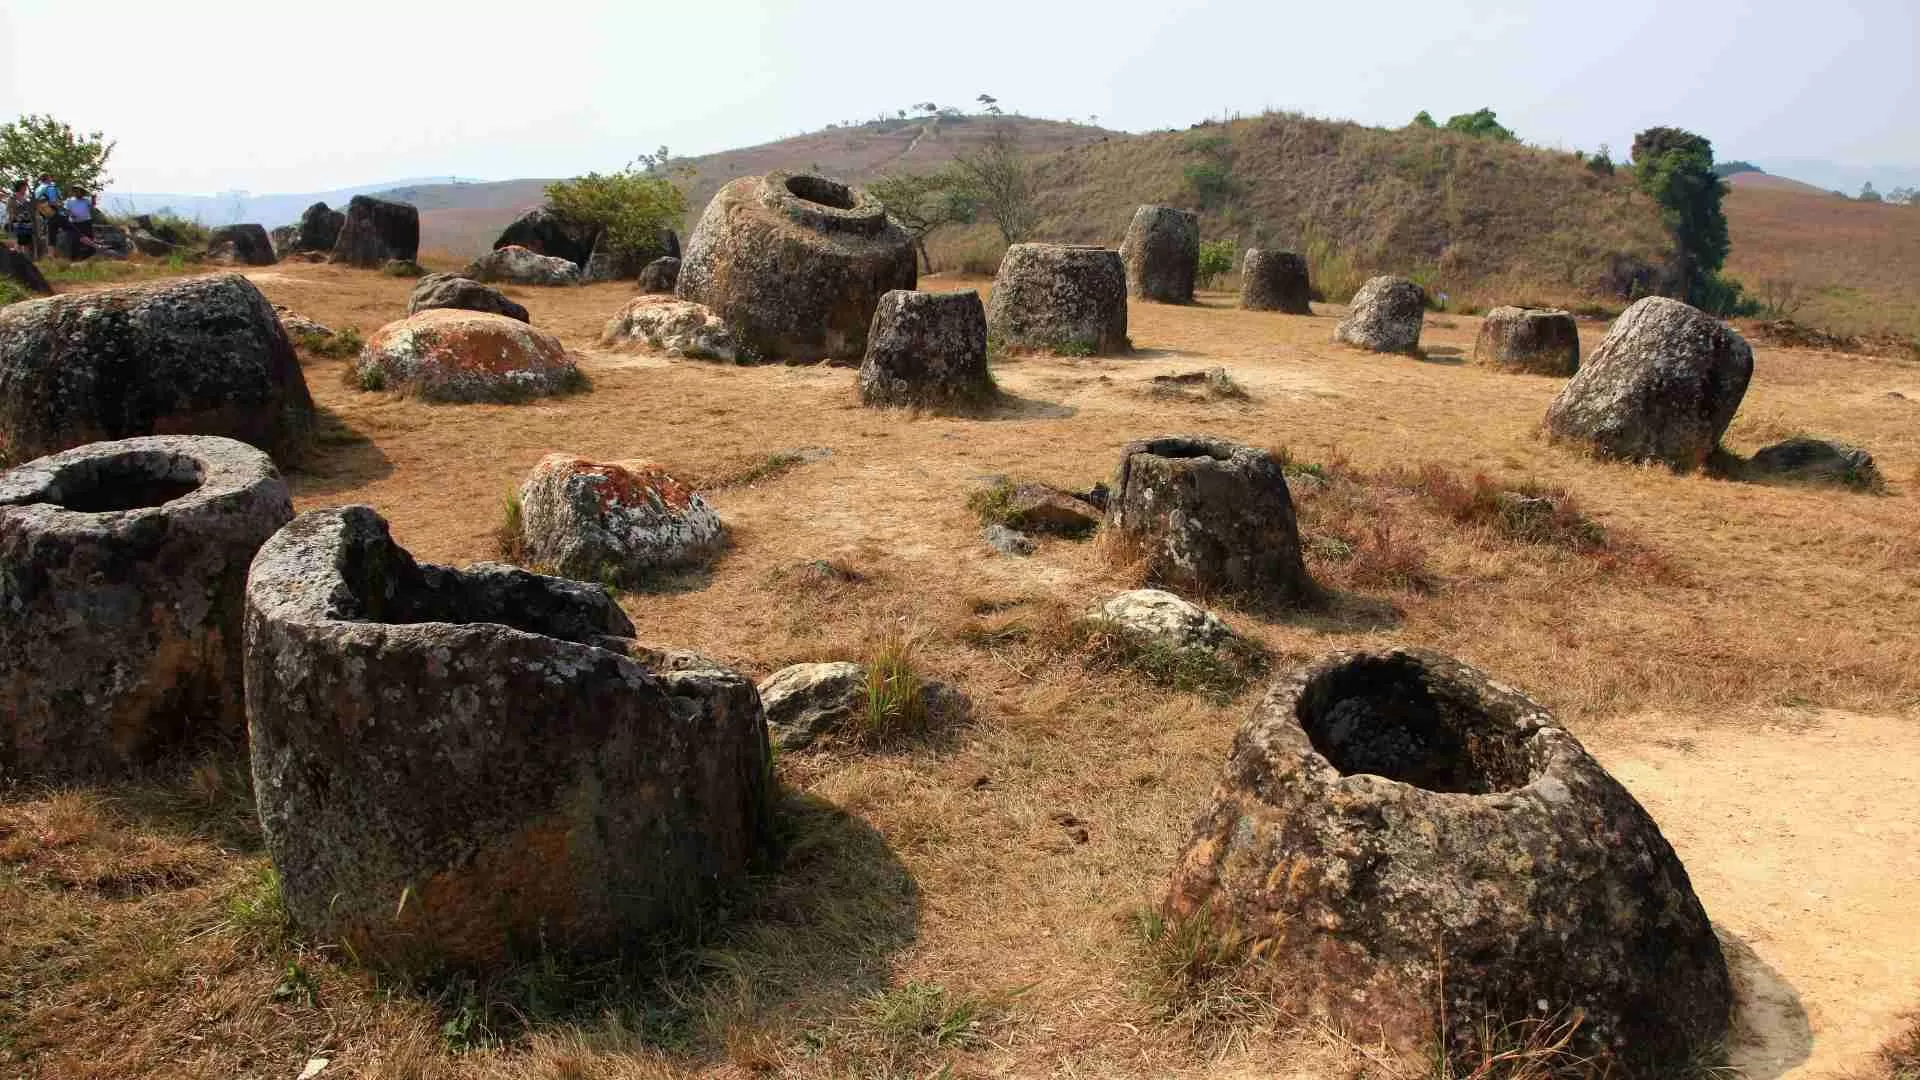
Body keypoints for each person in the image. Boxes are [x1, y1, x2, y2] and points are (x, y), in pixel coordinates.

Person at [6, 180, 33, 252]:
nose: (26, 189)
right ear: (21, 187)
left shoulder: (26, 197)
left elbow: (30, 209)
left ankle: (24, 259)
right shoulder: (13, 198)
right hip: (18, 223)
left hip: (27, 223)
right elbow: (10, 210)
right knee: (20, 243)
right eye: (25, 187)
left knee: (26, 243)